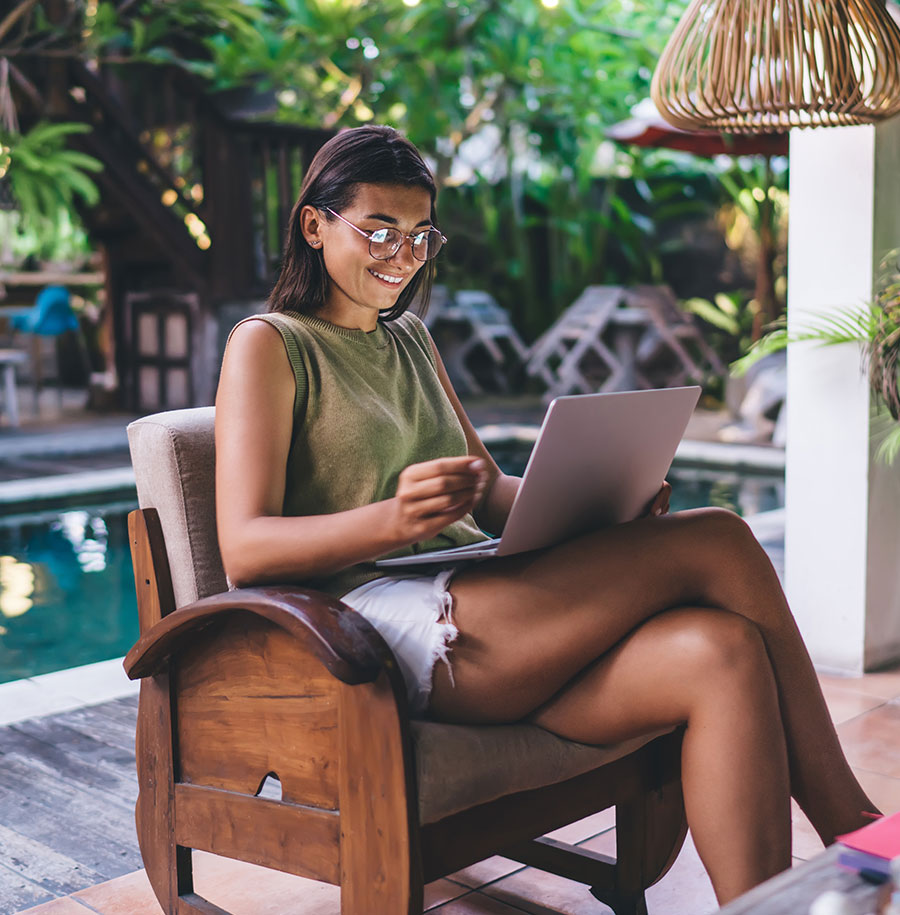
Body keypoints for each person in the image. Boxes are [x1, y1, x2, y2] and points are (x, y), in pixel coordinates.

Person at [215, 125, 879, 906]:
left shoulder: (412, 342)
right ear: (315, 224)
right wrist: (387, 522)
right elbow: (245, 548)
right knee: (721, 538)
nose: (401, 255)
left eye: (419, 236)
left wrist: (605, 494)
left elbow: (491, 491)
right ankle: (856, 823)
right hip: (375, 619)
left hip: (478, 595)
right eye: (379, 231)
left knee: (720, 651)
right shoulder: (269, 345)